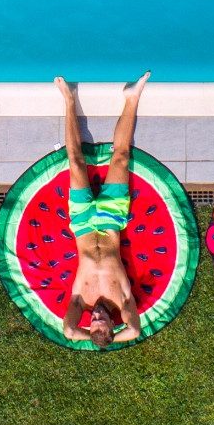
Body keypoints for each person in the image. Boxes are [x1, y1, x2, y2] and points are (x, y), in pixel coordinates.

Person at [55, 73, 151, 348]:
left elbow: (69, 333)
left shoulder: (79, 302)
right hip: (111, 220)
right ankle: (132, 97)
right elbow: (133, 330)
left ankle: (69, 99)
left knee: (74, 161)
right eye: (102, 319)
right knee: (120, 156)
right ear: (112, 323)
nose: (96, 313)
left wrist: (94, 337)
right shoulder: (123, 302)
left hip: (83, 223)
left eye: (93, 320)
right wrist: (107, 339)